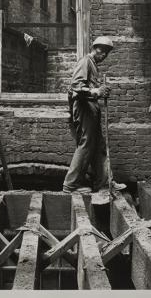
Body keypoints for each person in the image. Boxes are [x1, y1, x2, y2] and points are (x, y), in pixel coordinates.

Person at [63, 36, 126, 194]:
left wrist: (100, 90)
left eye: (107, 53)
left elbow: (91, 89)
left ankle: (105, 183)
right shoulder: (85, 61)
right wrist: (95, 91)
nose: (104, 55)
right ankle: (70, 185)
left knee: (99, 147)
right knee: (86, 145)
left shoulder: (93, 65)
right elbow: (75, 86)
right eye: (102, 50)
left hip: (92, 108)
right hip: (84, 108)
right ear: (94, 48)